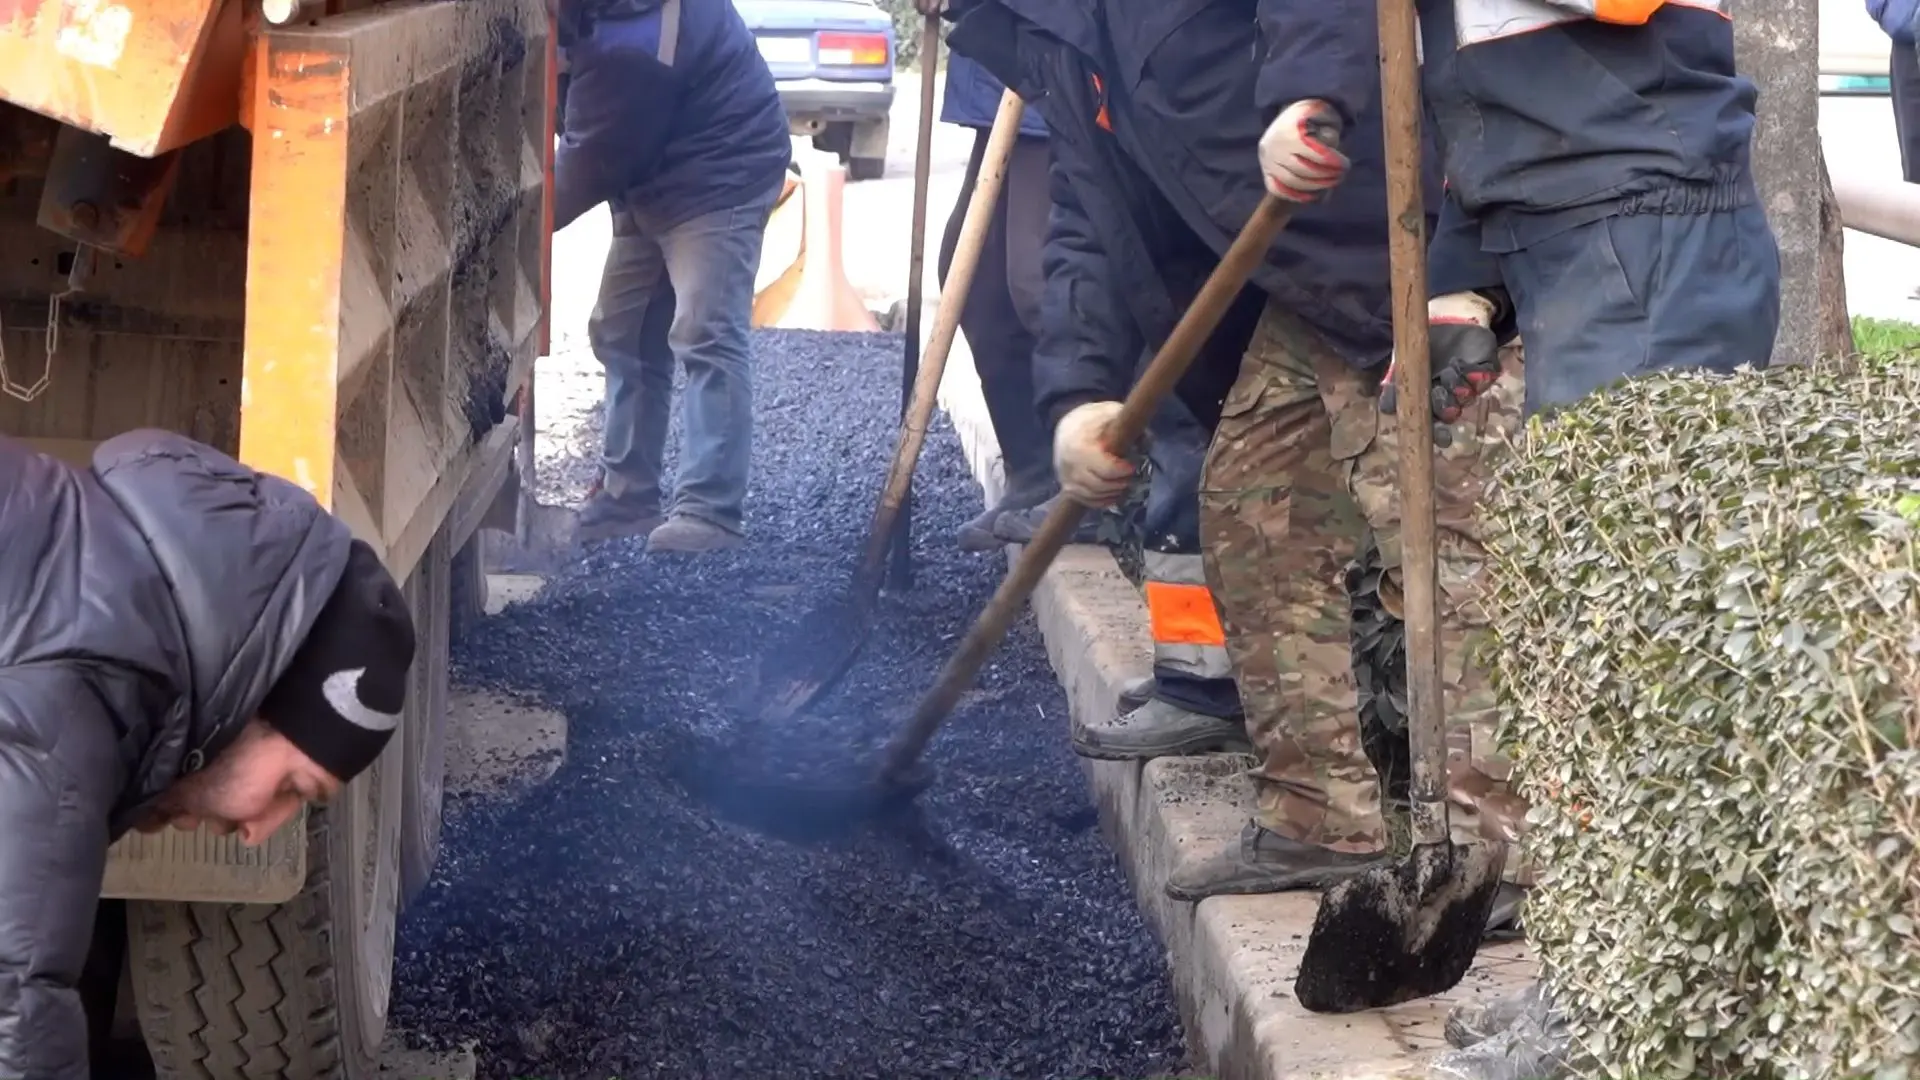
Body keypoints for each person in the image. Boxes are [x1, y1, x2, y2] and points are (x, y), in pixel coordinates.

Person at [942, 0, 1529, 907]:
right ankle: (1320, 820)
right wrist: (1077, 397)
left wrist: (1309, 97)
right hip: (1313, 290)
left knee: (1450, 553)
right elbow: (1087, 220)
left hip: (1418, 252)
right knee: (1254, 508)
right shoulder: (1053, 36)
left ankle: (1495, 857)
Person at [0, 431, 417, 1079]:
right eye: (292, 787)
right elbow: (15, 1007)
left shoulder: (82, 566)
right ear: (255, 696)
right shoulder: (87, 683)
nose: (258, 830)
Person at [556, 0, 791, 552]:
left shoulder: (637, 38)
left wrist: (515, 220)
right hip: (653, 167)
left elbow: (589, 159)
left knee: (705, 330)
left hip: (721, 172)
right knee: (622, 329)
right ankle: (628, 497)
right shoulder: (600, 16)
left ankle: (710, 511)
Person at [934, 52, 1083, 551]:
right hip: (1000, 82)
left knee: (1038, 279)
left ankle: (1088, 485)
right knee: (974, 280)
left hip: (1056, 80)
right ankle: (1033, 472)